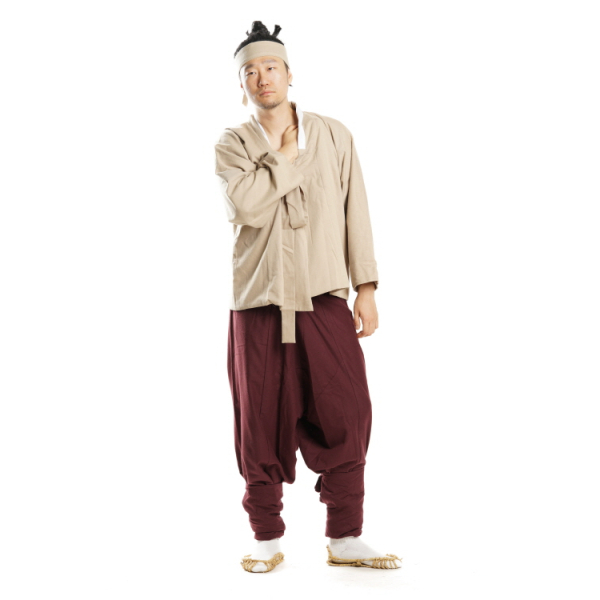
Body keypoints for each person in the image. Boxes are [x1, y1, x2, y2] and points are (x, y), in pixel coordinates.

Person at [214, 21, 402, 573]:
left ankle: (345, 536)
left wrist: (365, 287)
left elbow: (354, 210)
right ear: (241, 85)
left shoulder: (335, 135)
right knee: (259, 419)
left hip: (322, 296)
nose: (262, 77)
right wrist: (285, 157)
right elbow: (244, 206)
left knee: (347, 410)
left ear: (290, 74)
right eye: (250, 71)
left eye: (271, 67)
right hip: (258, 301)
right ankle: (266, 539)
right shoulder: (233, 145)